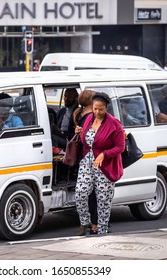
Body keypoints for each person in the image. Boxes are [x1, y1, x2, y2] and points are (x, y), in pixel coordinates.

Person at [75, 91, 125, 235]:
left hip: (105, 166)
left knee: (103, 200)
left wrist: (104, 154)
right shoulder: (89, 118)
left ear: (106, 107)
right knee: (80, 193)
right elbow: (86, 138)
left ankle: (102, 232)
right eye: (95, 108)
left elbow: (120, 147)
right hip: (87, 161)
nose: (97, 112)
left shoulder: (114, 124)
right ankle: (86, 222)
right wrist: (80, 132)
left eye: (100, 109)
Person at [73, 90, 99, 234]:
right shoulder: (92, 116)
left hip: (83, 156)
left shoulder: (79, 114)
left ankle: (88, 222)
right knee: (94, 193)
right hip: (93, 156)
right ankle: (95, 224)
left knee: (85, 192)